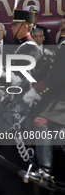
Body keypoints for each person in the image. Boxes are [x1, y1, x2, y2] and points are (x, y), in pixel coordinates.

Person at [22, 36, 65, 185]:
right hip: (55, 96)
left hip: (61, 99)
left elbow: (58, 75)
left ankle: (44, 171)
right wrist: (24, 81)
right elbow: (47, 68)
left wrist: (35, 90)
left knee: (40, 122)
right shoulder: (62, 44)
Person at [10, 9, 42, 75]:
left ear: (25, 27)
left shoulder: (31, 48)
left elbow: (27, 75)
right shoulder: (22, 45)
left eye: (15, 25)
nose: (12, 28)